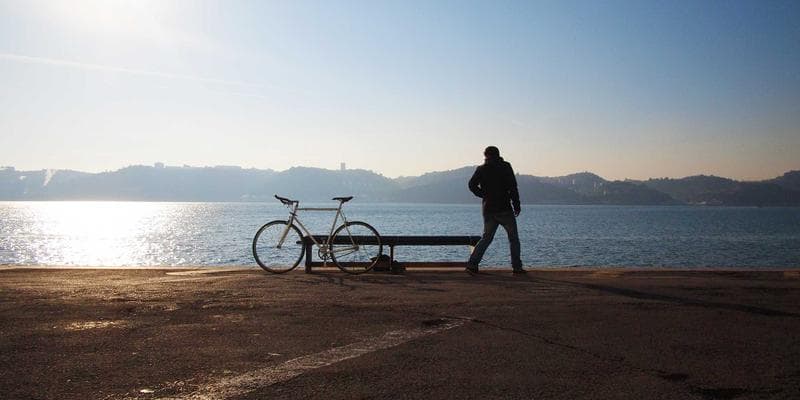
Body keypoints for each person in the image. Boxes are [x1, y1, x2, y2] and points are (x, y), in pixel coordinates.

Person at [466, 146, 525, 273]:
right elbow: (513, 187)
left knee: (486, 238)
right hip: (504, 208)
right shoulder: (505, 167)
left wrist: (483, 194)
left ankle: (472, 264)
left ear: (486, 155)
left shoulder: (481, 169)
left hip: (488, 209)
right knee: (513, 239)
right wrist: (517, 205)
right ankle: (517, 267)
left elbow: (471, 185)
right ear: (498, 155)